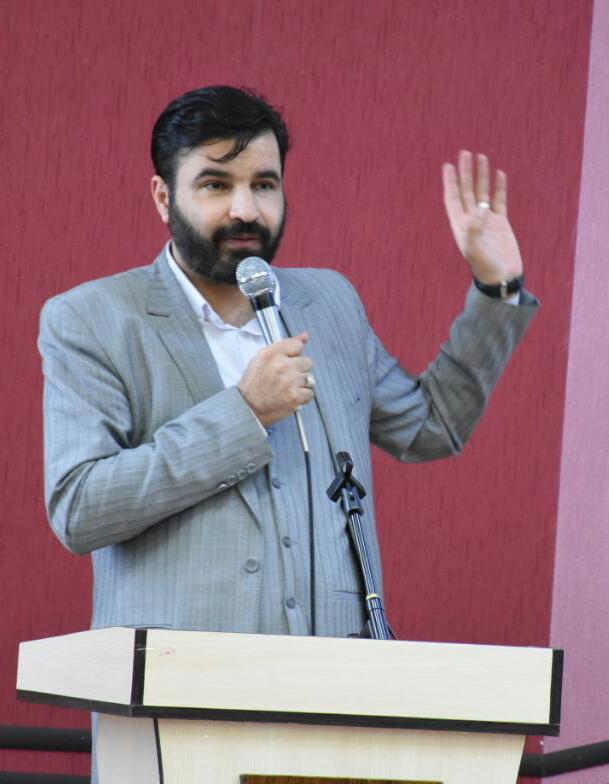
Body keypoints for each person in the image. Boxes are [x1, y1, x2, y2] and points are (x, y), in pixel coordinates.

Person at [39, 86, 537, 642]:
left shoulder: (330, 303)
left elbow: (430, 427)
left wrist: (497, 288)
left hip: (333, 674)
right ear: (163, 197)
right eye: (215, 185)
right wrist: (244, 412)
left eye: (263, 184)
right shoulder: (93, 318)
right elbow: (80, 509)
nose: (245, 209)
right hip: (178, 675)